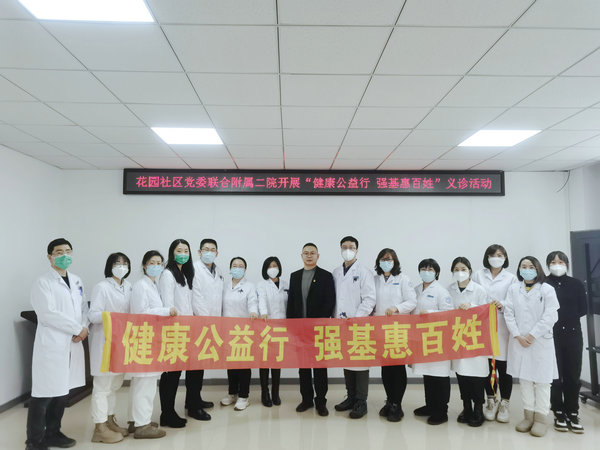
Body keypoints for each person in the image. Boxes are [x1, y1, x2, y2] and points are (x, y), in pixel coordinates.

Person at [26, 238, 88, 450]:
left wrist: (84, 327)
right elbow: (47, 313)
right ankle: (34, 441)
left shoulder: (77, 281)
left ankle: (53, 433)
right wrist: (76, 328)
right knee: (43, 395)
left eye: (68, 251)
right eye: (59, 252)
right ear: (50, 257)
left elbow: (83, 309)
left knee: (62, 393)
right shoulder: (43, 282)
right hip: (52, 344)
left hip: (72, 343)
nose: (64, 255)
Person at [504, 256, 559, 437]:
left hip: (540, 341)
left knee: (542, 381)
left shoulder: (547, 289)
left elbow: (551, 315)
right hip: (519, 340)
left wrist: (532, 334)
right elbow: (508, 313)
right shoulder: (513, 289)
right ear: (519, 270)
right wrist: (517, 335)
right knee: (525, 380)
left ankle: (541, 418)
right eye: (523, 266)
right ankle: (528, 416)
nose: (527, 269)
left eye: (530, 266)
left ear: (537, 269)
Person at [158, 239, 210, 427]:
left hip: (190, 329)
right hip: (175, 331)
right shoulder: (168, 274)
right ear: (172, 253)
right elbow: (169, 305)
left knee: (195, 368)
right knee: (172, 374)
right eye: (179, 250)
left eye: (186, 251)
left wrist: (206, 321)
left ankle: (193, 404)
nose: (183, 254)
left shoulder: (186, 274)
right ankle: (167, 413)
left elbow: (193, 302)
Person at [129, 250, 176, 439]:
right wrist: (166, 311)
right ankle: (142, 426)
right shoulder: (141, 286)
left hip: (150, 337)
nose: (156, 266)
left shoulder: (153, 285)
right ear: (144, 265)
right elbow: (140, 312)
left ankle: (136, 421)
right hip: (144, 338)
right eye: (152, 262)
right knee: (145, 384)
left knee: (142, 383)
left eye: (159, 263)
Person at [287, 243, 336, 417]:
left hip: (319, 331)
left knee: (320, 367)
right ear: (301, 256)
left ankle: (321, 401)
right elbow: (291, 303)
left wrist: (316, 325)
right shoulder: (294, 276)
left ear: (318, 256)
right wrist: (291, 328)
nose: (309, 256)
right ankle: (306, 399)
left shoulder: (326, 276)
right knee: (304, 367)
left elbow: (329, 302)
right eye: (306, 253)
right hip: (299, 331)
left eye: (312, 253)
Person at [88, 252, 132, 444]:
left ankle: (110, 420)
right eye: (117, 263)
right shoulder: (102, 287)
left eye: (125, 263)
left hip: (122, 342)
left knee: (114, 385)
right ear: (110, 266)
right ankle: (99, 427)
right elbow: (93, 315)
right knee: (102, 387)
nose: (121, 266)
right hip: (104, 342)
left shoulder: (129, 287)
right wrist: (113, 317)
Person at [472, 244, 518, 422]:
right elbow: (473, 296)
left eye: (500, 255)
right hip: (483, 326)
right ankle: (491, 400)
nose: (496, 258)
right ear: (487, 257)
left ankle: (505, 403)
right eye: (492, 255)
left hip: (503, 326)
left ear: (505, 258)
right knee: (487, 366)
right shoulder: (478, 275)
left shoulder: (511, 278)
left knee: (504, 367)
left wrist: (503, 304)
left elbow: (515, 301)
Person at [332, 236, 376, 419]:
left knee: (360, 362)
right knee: (347, 359)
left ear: (357, 250)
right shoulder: (336, 272)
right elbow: (334, 299)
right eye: (344, 247)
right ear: (340, 249)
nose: (348, 250)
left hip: (359, 324)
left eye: (351, 247)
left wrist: (357, 318)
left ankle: (361, 401)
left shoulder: (364, 272)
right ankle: (350, 397)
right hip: (341, 324)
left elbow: (370, 298)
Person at [373, 248, 417, 422]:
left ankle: (397, 405)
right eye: (383, 259)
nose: (386, 262)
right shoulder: (375, 279)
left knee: (397, 367)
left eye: (389, 259)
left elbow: (412, 301)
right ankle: (389, 400)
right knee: (386, 367)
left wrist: (396, 308)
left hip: (398, 329)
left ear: (395, 262)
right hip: (379, 329)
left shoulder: (403, 279)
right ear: (378, 262)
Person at [545, 251, 587, 433]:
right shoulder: (543, 283)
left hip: (572, 333)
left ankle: (573, 411)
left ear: (567, 264)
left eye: (561, 262)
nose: (557, 265)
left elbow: (583, 309)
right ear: (548, 265)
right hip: (550, 334)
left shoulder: (576, 284)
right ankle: (558, 411)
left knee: (572, 374)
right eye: (553, 262)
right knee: (555, 375)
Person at [447, 257, 490, 428]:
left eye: (463, 269)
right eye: (456, 269)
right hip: (457, 337)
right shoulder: (449, 290)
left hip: (475, 338)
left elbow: (486, 311)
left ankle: (478, 408)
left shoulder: (479, 290)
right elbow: (446, 311)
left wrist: (471, 306)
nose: (460, 272)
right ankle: (466, 407)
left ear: (470, 271)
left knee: (477, 375)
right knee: (462, 373)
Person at [412, 258, 454, 425]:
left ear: (436, 273)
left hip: (438, 339)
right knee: (428, 374)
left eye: (430, 269)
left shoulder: (442, 291)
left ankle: (442, 411)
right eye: (423, 269)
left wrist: (429, 313)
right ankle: (430, 405)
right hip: (421, 339)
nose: (426, 272)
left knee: (439, 375)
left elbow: (448, 315)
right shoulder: (416, 289)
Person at [220, 257, 258, 411]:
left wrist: (253, 312)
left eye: (240, 266)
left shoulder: (249, 286)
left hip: (244, 331)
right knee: (231, 364)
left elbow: (253, 302)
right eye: (234, 266)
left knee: (243, 364)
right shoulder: (224, 286)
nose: (237, 268)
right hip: (228, 330)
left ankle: (244, 396)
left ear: (245, 269)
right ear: (230, 269)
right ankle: (232, 393)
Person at [190, 238, 223, 410]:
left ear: (217, 253)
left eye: (212, 250)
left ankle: (195, 398)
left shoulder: (218, 272)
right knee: (194, 365)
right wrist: (206, 321)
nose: (209, 252)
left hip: (211, 324)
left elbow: (218, 299)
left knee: (200, 363)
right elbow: (196, 296)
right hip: (199, 322)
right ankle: (193, 404)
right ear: (199, 252)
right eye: (206, 249)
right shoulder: (194, 269)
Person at [257, 256, 288, 407]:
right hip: (266, 326)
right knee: (264, 360)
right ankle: (265, 393)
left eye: (275, 265)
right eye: (269, 266)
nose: (273, 268)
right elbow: (261, 300)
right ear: (265, 269)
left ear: (279, 267)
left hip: (282, 327)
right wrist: (263, 313)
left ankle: (276, 393)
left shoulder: (286, 284)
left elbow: (290, 304)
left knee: (277, 360)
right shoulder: (261, 285)